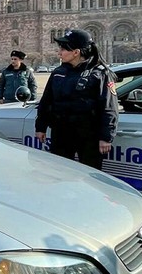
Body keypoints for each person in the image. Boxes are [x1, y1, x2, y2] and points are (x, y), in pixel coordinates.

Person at [34, 29, 118, 170]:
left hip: (88, 135)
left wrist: (106, 137)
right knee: (59, 172)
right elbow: (47, 101)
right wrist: (40, 127)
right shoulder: (58, 72)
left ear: (76, 52)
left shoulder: (99, 74)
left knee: (91, 176)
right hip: (61, 132)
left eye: (63, 49)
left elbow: (109, 107)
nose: (59, 52)